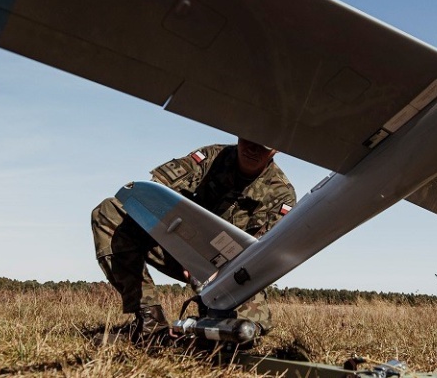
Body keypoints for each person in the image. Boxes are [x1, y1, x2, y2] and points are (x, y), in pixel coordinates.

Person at [91, 137, 297, 342]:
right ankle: (150, 324)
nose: (253, 149)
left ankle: (206, 323)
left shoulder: (282, 196)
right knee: (110, 212)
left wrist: (215, 271)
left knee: (242, 335)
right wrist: (185, 249)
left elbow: (266, 260)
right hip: (178, 245)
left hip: (233, 273)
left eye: (263, 145)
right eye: (249, 139)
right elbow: (154, 196)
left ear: (276, 149)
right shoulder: (211, 158)